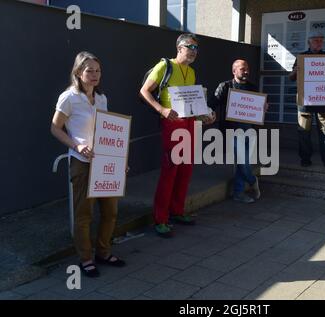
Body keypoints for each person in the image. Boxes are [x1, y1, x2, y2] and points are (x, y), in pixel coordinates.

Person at [50, 51, 126, 278]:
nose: (94, 74)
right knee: (84, 215)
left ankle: (103, 252)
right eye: (89, 70)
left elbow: (107, 131)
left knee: (111, 212)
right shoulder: (69, 97)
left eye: (98, 70)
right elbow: (55, 128)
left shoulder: (102, 98)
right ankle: (85, 258)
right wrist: (76, 146)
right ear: (78, 72)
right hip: (82, 162)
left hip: (105, 162)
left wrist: (119, 158)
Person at [140, 34, 215, 237]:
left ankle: (177, 211)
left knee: (186, 170)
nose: (193, 51)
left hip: (189, 123)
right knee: (170, 170)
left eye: (196, 48)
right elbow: (144, 91)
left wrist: (204, 116)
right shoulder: (164, 66)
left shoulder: (191, 72)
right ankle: (161, 218)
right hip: (172, 123)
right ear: (179, 47)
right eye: (190, 46)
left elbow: (190, 104)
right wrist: (161, 110)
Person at [212, 59, 267, 203]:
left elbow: (258, 107)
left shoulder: (252, 87)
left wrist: (263, 107)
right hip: (232, 130)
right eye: (243, 69)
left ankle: (238, 193)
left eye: (247, 68)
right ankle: (252, 180)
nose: (246, 71)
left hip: (249, 129)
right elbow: (212, 103)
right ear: (234, 71)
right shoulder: (225, 86)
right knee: (242, 160)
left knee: (243, 162)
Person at [289, 31, 325, 169]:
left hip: (323, 102)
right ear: (309, 42)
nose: (319, 43)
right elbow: (291, 77)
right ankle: (305, 159)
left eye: (321, 40)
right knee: (304, 133)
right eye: (316, 40)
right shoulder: (301, 57)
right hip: (305, 102)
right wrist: (296, 71)